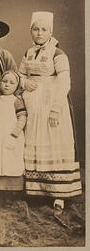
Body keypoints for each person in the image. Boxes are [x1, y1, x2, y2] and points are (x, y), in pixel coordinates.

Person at [18, 11, 82, 215]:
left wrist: (56, 108)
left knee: (54, 144)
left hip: (51, 105)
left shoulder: (57, 53)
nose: (39, 33)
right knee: (34, 142)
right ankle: (37, 191)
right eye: (35, 29)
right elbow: (19, 75)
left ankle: (59, 194)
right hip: (32, 106)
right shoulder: (28, 53)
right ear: (30, 31)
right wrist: (24, 82)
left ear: (50, 31)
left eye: (43, 29)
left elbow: (65, 82)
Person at [0, 71, 27, 205]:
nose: (7, 85)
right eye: (5, 81)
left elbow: (22, 118)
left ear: (17, 86)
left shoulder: (17, 101)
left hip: (11, 135)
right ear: (0, 83)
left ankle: (12, 192)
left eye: (11, 83)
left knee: (12, 161)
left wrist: (14, 135)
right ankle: (0, 192)